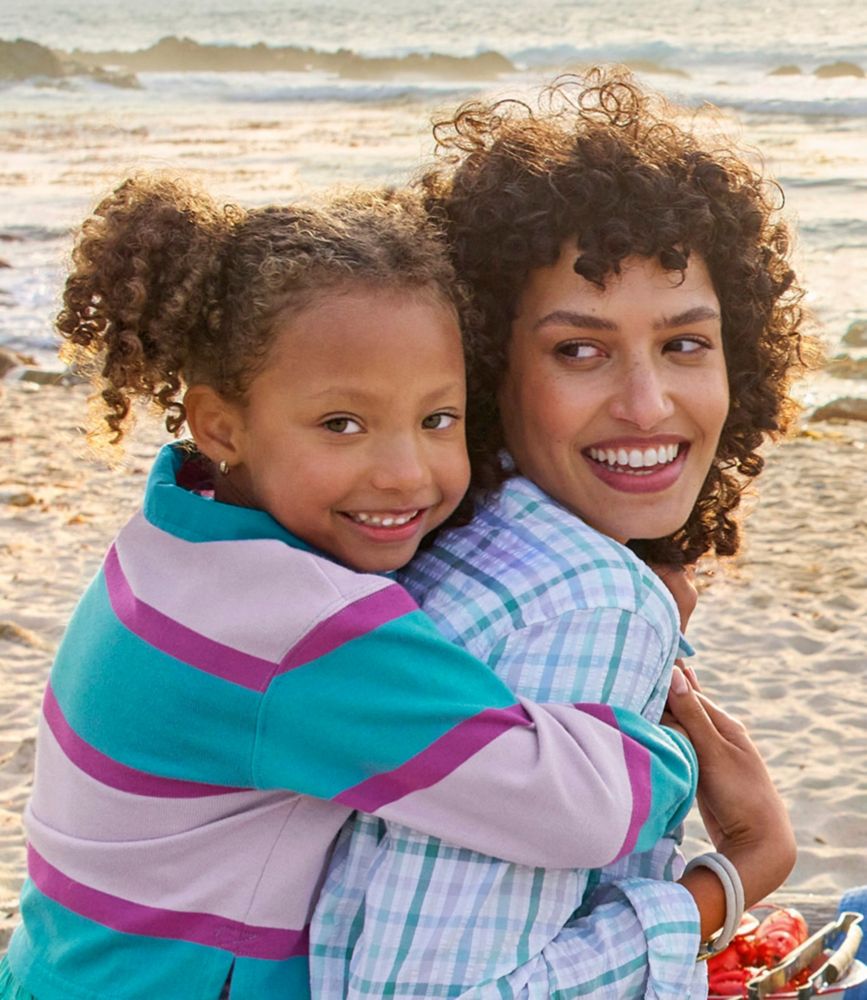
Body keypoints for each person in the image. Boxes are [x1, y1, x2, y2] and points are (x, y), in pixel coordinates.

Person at [0, 175, 706, 1000]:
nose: (404, 472)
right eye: (342, 424)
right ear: (220, 424)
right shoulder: (297, 629)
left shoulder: (174, 537)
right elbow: (575, 810)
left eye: (437, 419)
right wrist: (678, 749)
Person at [310, 70, 813, 998]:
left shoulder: (424, 531)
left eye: (684, 344)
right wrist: (737, 870)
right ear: (483, 365)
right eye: (578, 350)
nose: (646, 405)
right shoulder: (585, 604)